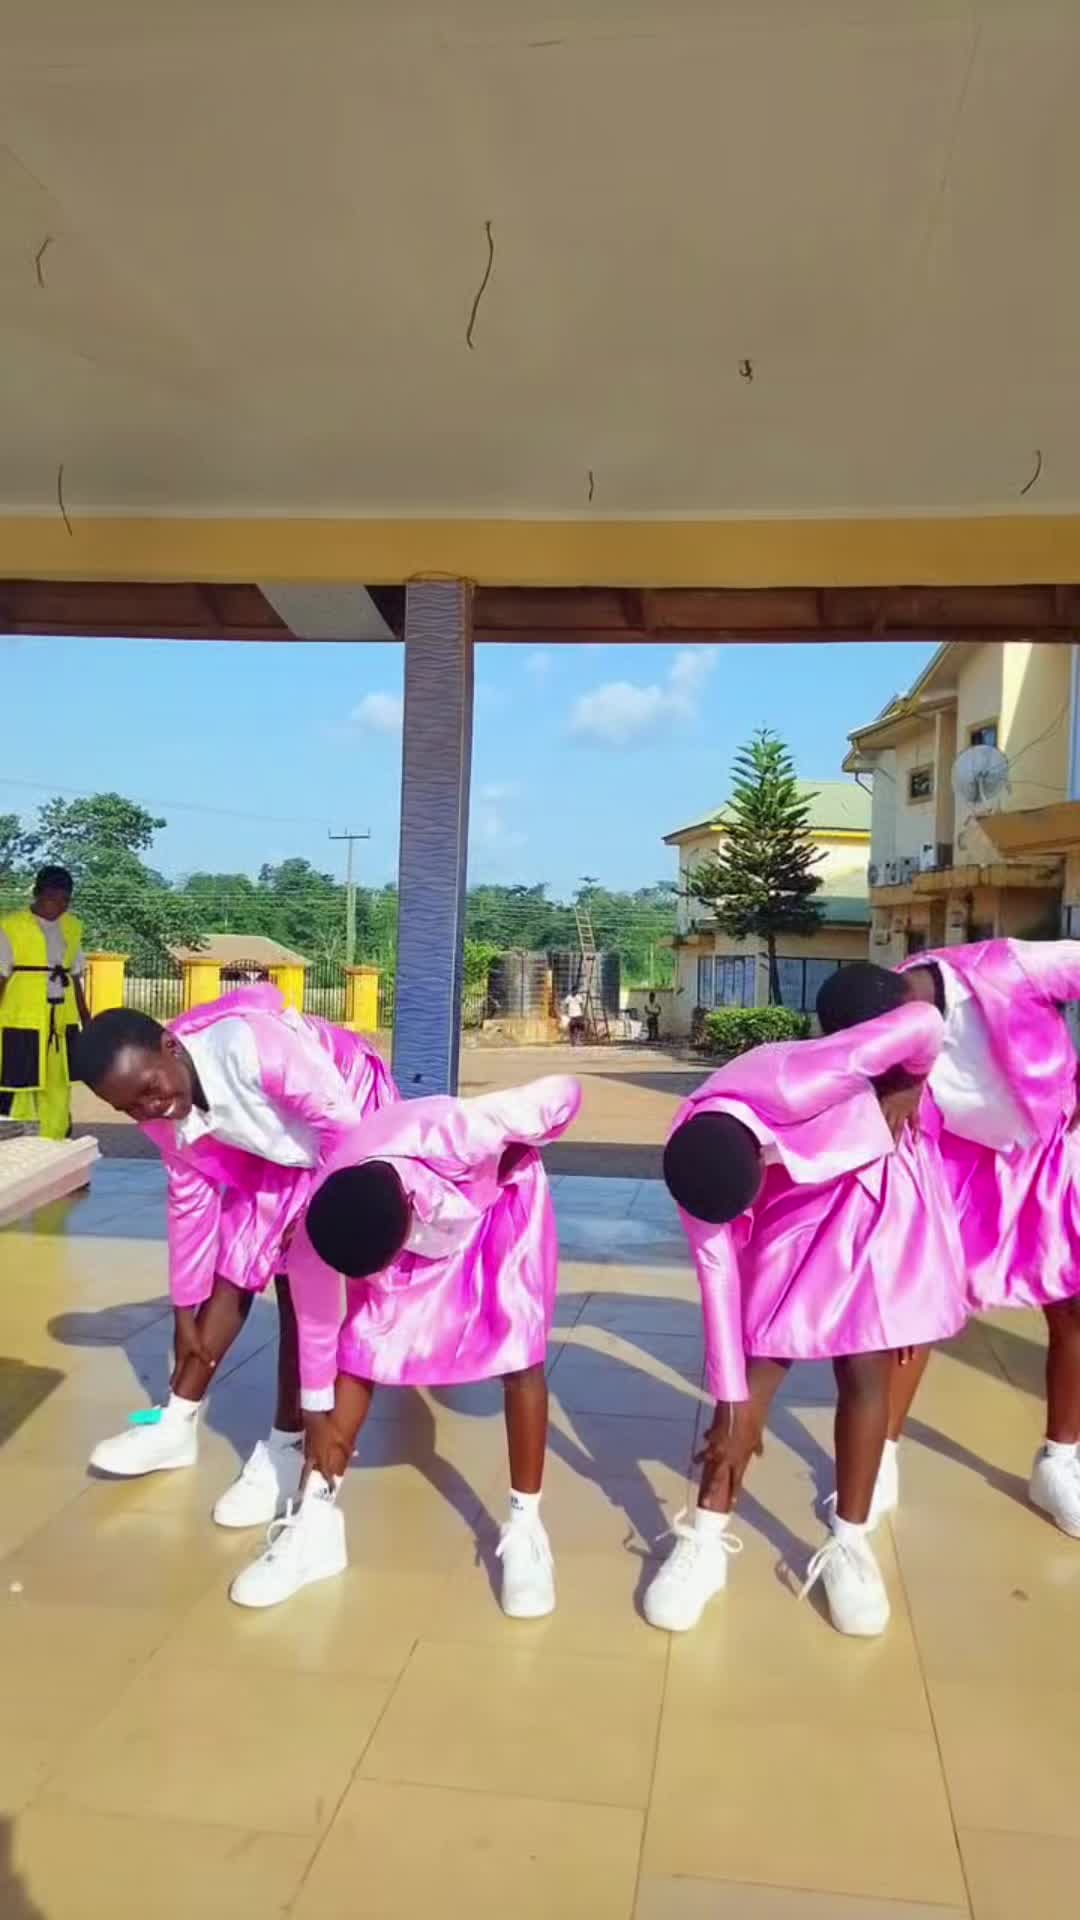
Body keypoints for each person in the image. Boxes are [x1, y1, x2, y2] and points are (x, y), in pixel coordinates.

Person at [644, 971, 964, 1639]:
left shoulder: (842, 1077)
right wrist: (728, 1400)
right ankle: (706, 1536)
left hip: (878, 1219)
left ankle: (849, 1543)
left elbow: (927, 1025)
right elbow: (719, 1297)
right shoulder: (720, 1137)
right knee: (757, 1368)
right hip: (796, 1225)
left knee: (866, 1372)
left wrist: (910, 1082)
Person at [227, 1073, 582, 1616]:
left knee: (517, 1344)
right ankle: (314, 1525)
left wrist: (516, 1143)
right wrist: (315, 1414)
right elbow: (319, 1327)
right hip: (397, 1221)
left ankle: (526, 1532)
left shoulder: (463, 1131)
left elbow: (566, 1091)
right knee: (363, 1344)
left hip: (497, 1209)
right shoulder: (325, 1219)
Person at [74, 985, 396, 1526]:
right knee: (238, 1255)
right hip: (278, 1146)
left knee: (298, 1281)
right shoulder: (161, 1111)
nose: (149, 1110)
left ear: (171, 1046)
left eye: (150, 1090)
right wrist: (184, 1311)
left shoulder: (255, 1050)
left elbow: (345, 1131)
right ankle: (177, 1422)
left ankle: (286, 1445)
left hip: (348, 1130)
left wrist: (308, 1217)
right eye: (129, 1108)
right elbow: (190, 1203)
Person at [865, 937, 1080, 1538]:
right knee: (916, 1308)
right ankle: (878, 1460)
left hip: (1046, 1148)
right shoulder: (890, 1001)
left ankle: (1060, 1463)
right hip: (957, 1163)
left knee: (1073, 1303)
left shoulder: (1020, 966)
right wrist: (903, 1083)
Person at [0, 866, 89, 1139]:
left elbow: (75, 977)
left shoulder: (72, 928)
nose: (59, 906)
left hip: (60, 1022)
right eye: (53, 898)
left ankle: (56, 1138)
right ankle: (18, 1143)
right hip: (22, 1020)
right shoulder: (10, 927)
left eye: (65, 900)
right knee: (19, 1083)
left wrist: (87, 1020)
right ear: (38, 894)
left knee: (58, 1084)